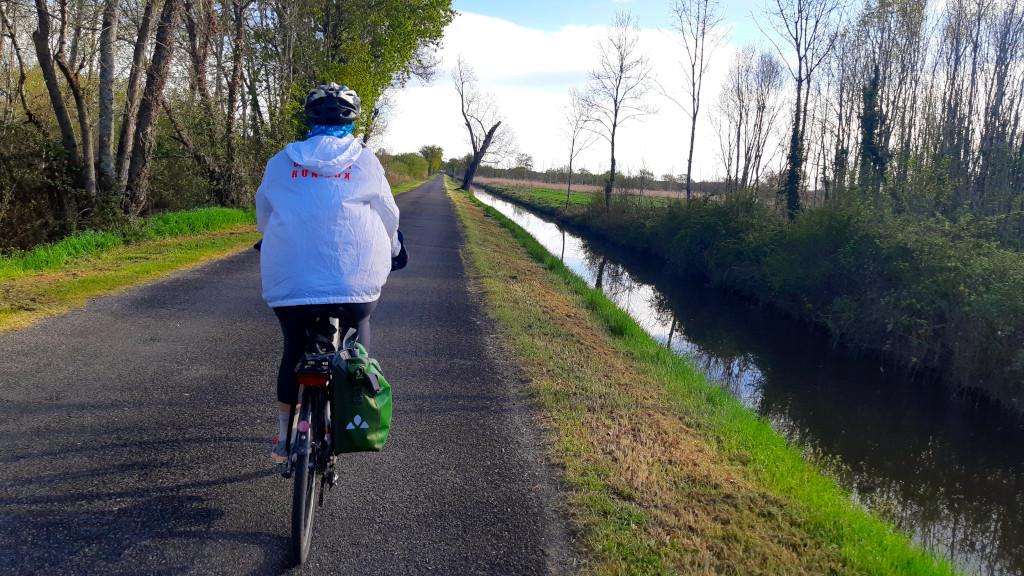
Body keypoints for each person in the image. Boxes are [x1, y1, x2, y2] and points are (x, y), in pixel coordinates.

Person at [255, 82, 400, 464]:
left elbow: (265, 214)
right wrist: (397, 249)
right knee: (357, 334)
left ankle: (285, 439)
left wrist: (272, 237)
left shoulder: (280, 161)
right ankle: (352, 401)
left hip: (290, 279)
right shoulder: (365, 160)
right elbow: (388, 215)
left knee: (293, 349)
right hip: (355, 280)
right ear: (352, 120)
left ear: (309, 118)